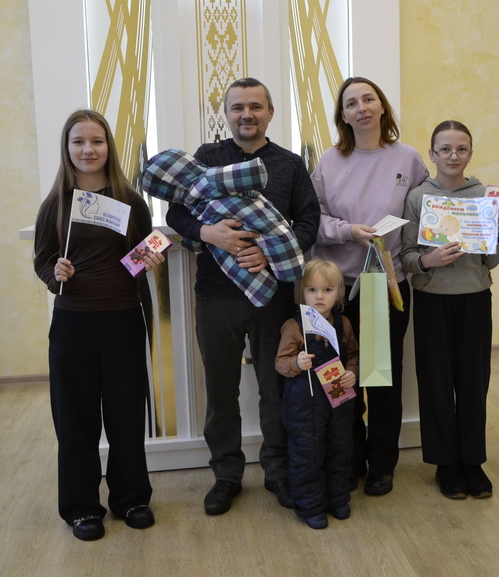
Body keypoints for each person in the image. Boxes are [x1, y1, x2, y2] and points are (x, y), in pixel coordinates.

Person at [166, 77, 320, 515]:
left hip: (275, 297)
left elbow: (309, 222)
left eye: (255, 106)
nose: (246, 115)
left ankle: (277, 470)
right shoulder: (206, 158)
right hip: (215, 297)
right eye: (237, 107)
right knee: (220, 389)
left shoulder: (290, 165)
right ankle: (226, 475)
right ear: (227, 114)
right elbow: (176, 212)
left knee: (276, 386)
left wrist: (270, 254)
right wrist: (207, 232)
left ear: (270, 112)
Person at [33, 109, 163, 540]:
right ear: (67, 148)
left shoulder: (131, 201)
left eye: (97, 141)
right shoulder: (55, 204)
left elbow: (140, 255)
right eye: (79, 142)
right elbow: (42, 261)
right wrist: (56, 273)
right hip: (72, 324)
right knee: (75, 418)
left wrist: (148, 259)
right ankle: (81, 507)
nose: (88, 150)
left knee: (126, 413)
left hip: (123, 319)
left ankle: (132, 498)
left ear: (109, 146)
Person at [311, 76, 429, 495]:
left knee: (381, 381)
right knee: (342, 378)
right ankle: (349, 458)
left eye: (368, 99)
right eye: (351, 103)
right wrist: (348, 231)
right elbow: (313, 220)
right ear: (342, 115)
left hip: (386, 285)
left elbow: (429, 210)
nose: (361, 108)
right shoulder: (328, 162)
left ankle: (382, 464)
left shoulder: (408, 158)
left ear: (382, 107)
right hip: (337, 292)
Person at [401, 120, 499, 499]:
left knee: (473, 382)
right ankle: (445, 463)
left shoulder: (484, 197)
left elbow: (490, 261)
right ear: (432, 154)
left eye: (461, 149)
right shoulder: (418, 197)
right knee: (435, 381)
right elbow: (407, 255)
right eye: (445, 149)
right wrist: (427, 261)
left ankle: (472, 461)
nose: (453, 156)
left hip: (475, 298)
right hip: (432, 299)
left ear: (470, 153)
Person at [275, 259, 359, 529]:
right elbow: (280, 363)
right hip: (304, 403)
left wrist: (352, 372)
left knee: (339, 447)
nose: (319, 296)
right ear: (302, 292)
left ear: (339, 293)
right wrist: (297, 363)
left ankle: (338, 499)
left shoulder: (344, 324)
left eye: (327, 290)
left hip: (338, 399)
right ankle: (310, 506)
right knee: (307, 453)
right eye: (312, 290)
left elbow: (354, 355)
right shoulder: (294, 326)